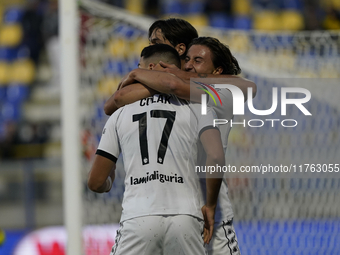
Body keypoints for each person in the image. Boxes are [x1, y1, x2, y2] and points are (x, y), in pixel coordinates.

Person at [106, 37, 243, 255]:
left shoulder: (222, 94)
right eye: (186, 59)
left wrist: (137, 74)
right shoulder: (186, 99)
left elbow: (169, 85)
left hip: (213, 217)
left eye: (198, 60)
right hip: (186, 214)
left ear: (217, 72)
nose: (188, 65)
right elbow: (117, 99)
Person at [104, 18, 256, 115]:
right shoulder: (153, 79)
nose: (149, 47)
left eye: (156, 42)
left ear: (180, 49)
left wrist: (178, 76)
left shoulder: (200, 87)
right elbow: (114, 101)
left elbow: (248, 88)